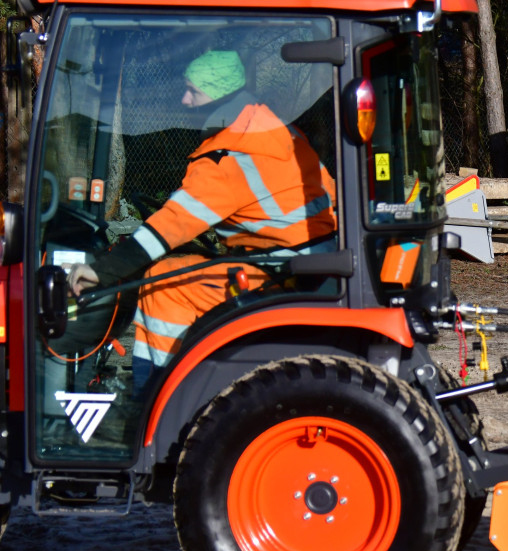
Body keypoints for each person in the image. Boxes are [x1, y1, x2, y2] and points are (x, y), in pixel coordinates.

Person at [70, 50, 336, 393]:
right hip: (313, 262)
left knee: (160, 281)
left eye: (192, 91)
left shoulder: (229, 156)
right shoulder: (273, 129)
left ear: (219, 94)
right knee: (187, 265)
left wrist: (101, 271)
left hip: (282, 272)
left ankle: (157, 395)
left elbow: (172, 225)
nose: (184, 99)